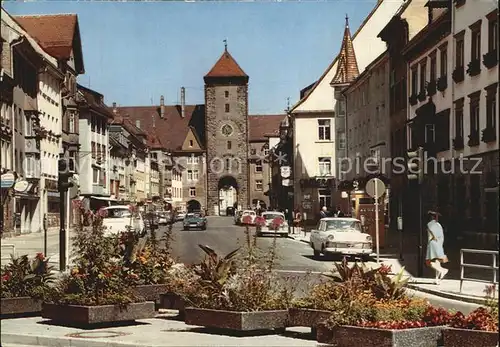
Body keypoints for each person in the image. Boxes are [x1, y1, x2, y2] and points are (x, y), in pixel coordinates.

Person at [426, 210, 449, 284]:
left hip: (433, 244)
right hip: (439, 244)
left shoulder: (430, 224)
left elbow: (432, 235)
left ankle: (443, 270)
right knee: (437, 262)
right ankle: (437, 279)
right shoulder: (439, 225)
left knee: (428, 262)